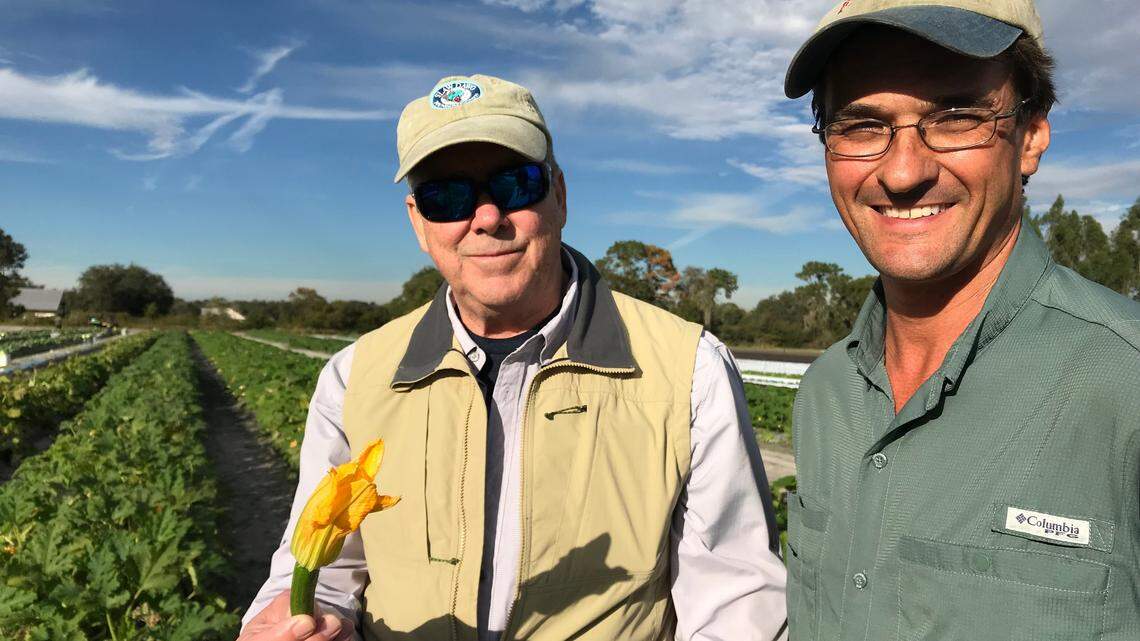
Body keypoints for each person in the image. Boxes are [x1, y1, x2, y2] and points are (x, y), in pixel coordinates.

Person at [237, 74, 787, 641]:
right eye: (445, 196)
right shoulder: (355, 378)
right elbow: (324, 571)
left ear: (560, 196)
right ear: (418, 223)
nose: (486, 217)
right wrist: (299, 620)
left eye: (516, 184)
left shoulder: (687, 368)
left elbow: (734, 599)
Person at [782, 1, 1140, 639]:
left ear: (1031, 136)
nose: (902, 171)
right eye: (863, 125)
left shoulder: (1124, 385)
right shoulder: (823, 393)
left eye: (955, 117)